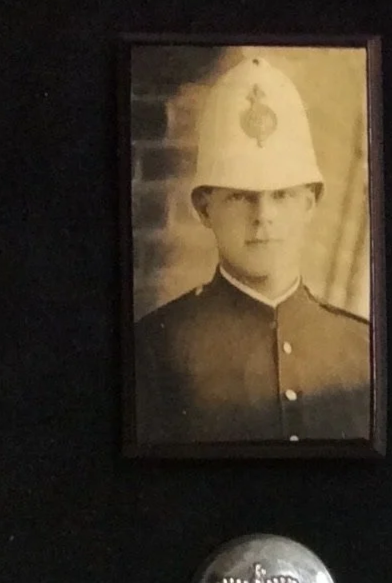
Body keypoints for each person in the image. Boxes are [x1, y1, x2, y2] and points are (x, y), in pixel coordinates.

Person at [135, 54, 371, 444]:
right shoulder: (155, 348)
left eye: (281, 195)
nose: (263, 216)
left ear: (310, 203)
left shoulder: (361, 349)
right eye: (242, 197)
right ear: (205, 209)